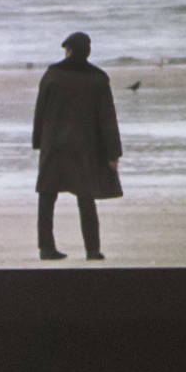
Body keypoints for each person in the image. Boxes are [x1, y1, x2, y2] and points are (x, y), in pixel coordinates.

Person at [31, 31, 122, 261]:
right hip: (85, 147)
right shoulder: (98, 78)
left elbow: (39, 110)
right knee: (86, 197)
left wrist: (38, 141)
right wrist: (113, 153)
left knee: (47, 196)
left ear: (68, 50)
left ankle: (46, 247)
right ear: (87, 51)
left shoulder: (52, 75)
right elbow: (108, 119)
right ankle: (92, 250)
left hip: (54, 144)